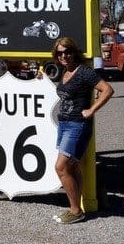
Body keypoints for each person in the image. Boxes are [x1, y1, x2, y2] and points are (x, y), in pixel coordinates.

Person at [42, 37, 114, 225]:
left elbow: (107, 90)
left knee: (61, 167)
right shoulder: (65, 71)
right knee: (73, 167)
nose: (64, 56)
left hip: (77, 125)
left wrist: (92, 109)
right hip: (64, 123)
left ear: (74, 52)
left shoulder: (83, 72)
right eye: (60, 53)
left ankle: (75, 211)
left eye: (68, 52)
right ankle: (78, 207)